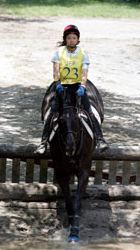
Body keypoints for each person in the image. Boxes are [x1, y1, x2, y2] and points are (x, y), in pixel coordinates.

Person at [36, 25, 108, 155]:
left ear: (77, 39)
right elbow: (56, 70)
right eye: (69, 38)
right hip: (62, 87)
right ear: (65, 39)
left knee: (90, 112)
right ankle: (43, 143)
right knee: (52, 113)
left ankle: (100, 139)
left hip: (77, 86)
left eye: (74, 38)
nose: (71, 40)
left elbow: (84, 72)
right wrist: (57, 83)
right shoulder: (59, 53)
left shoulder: (83, 53)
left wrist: (83, 86)